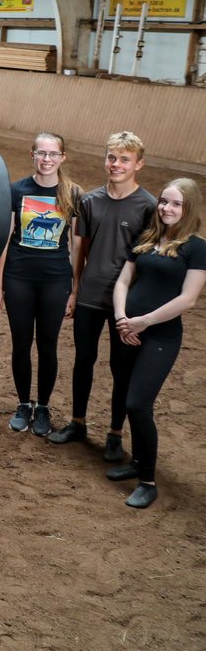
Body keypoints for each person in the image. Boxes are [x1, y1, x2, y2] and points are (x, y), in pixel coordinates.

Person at [48, 131, 156, 460]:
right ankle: (78, 422)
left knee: (121, 367)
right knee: (84, 360)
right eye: (112, 157)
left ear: (139, 164)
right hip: (90, 296)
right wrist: (75, 288)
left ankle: (115, 432)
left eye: (124, 159)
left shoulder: (148, 206)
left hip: (127, 303)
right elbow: (78, 250)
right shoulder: (90, 201)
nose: (116, 164)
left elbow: (146, 258)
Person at [109, 179, 205, 508]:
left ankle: (147, 481)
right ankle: (135, 461)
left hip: (159, 335)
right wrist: (122, 317)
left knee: (138, 403)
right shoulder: (148, 237)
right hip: (127, 328)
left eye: (176, 204)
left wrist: (144, 321)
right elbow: (124, 280)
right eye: (164, 201)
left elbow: (188, 300)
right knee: (123, 392)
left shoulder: (197, 247)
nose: (166, 208)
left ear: (188, 208)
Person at [0, 132, 80, 436]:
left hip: (55, 279)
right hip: (19, 277)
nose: (47, 159)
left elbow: (76, 245)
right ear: (33, 155)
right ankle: (23, 403)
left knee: (48, 344)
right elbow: (4, 238)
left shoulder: (72, 194)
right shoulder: (17, 191)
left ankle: (43, 406)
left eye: (53, 154)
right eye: (41, 153)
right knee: (21, 343)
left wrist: (75, 289)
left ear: (62, 158)